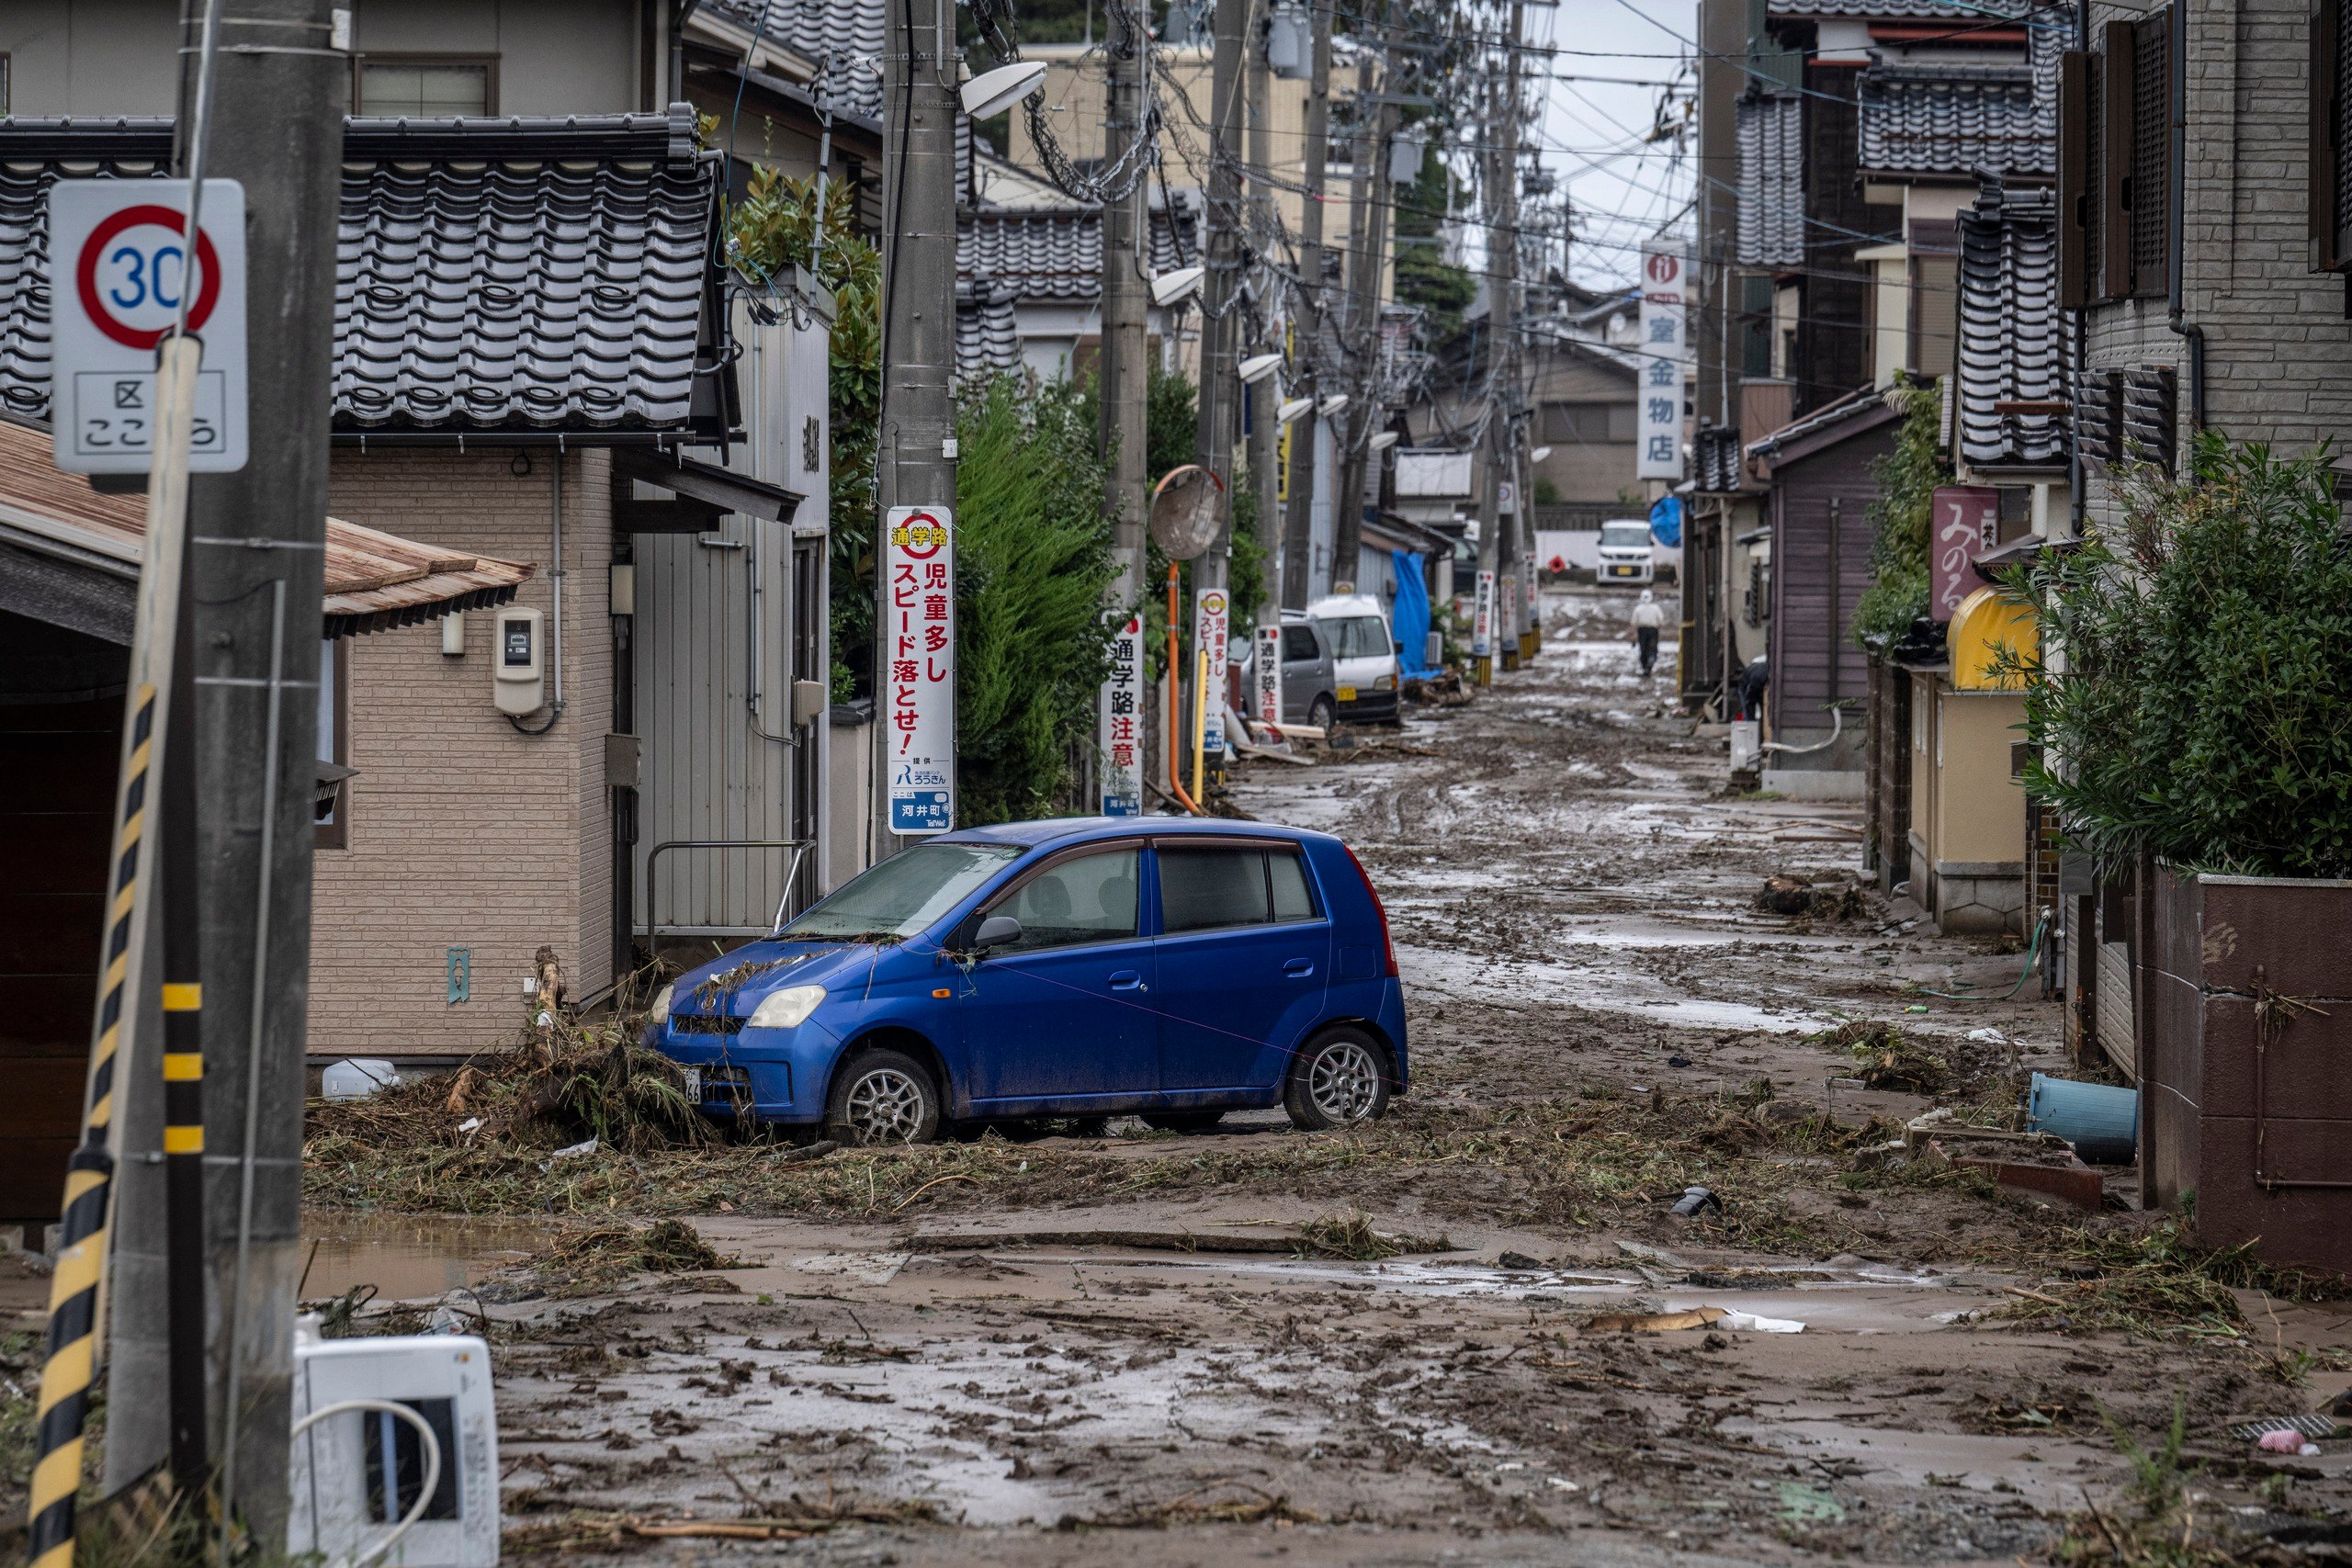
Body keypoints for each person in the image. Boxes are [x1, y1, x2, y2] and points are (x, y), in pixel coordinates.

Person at [1629, 589, 1665, 675]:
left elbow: (1633, 623)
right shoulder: (1656, 608)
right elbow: (1660, 621)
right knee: (1652, 649)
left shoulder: (1638, 609)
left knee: (1643, 649)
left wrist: (1633, 637)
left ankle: (1645, 667)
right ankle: (1650, 663)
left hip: (1642, 631)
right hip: (1653, 631)